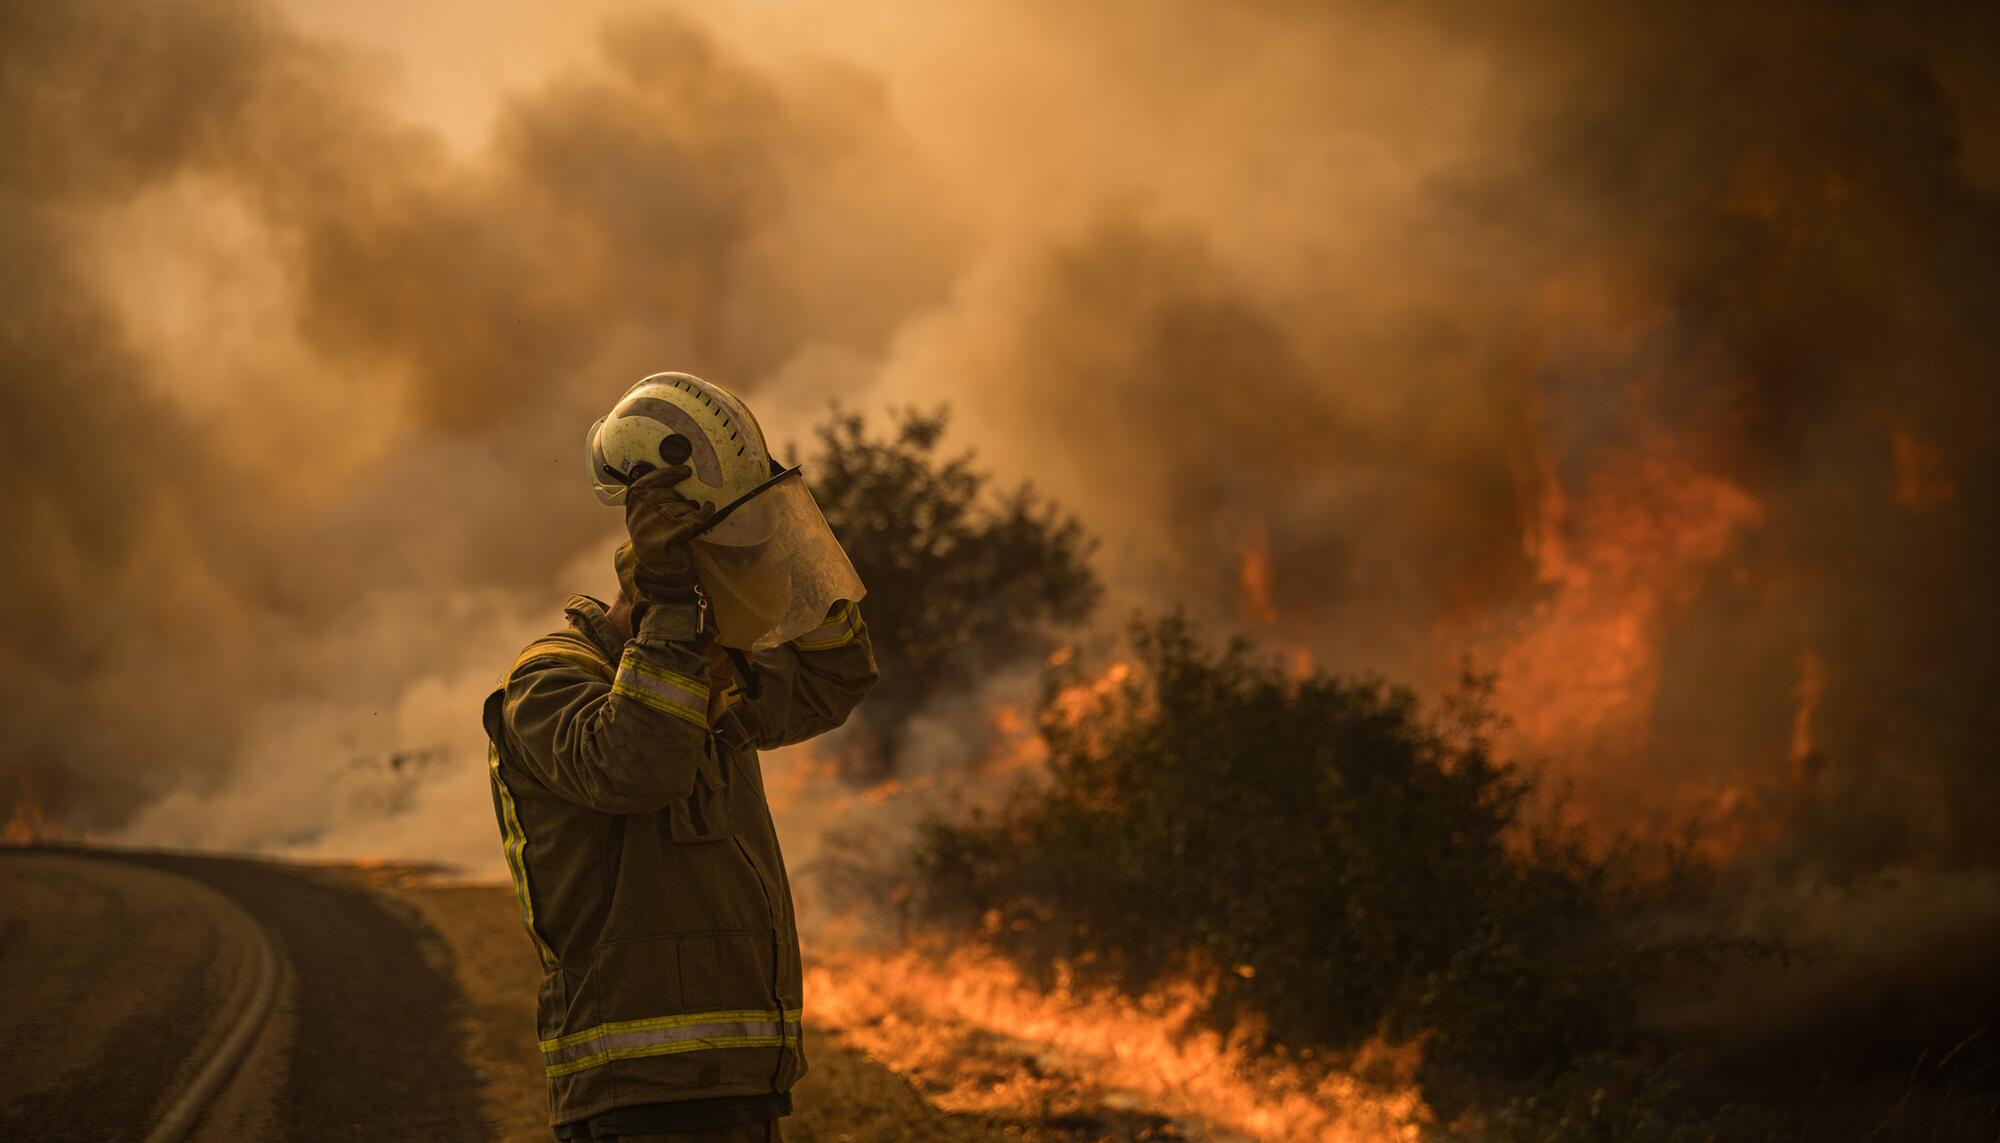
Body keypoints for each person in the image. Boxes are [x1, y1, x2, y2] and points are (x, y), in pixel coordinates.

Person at [481, 373, 876, 1142]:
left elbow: (836, 678)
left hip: (734, 1083)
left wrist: (783, 536)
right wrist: (671, 600)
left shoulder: (697, 671)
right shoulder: (550, 680)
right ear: (675, 574)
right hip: (640, 1097)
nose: (758, 582)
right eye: (737, 559)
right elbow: (638, 765)